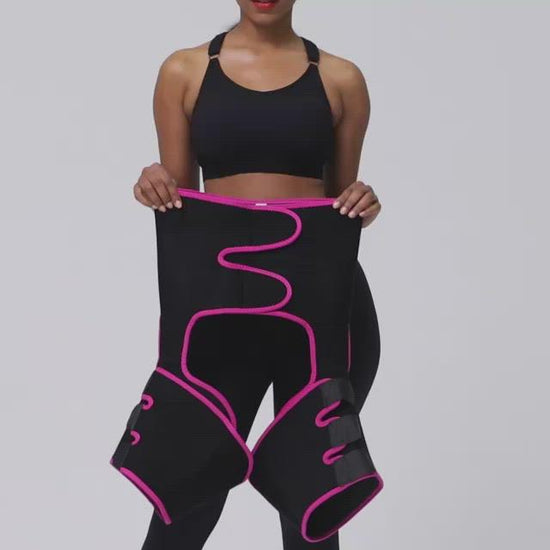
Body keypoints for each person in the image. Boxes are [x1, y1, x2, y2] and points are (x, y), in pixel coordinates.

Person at [123, 2, 382, 548]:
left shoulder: (341, 79)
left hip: (321, 312)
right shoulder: (185, 71)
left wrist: (361, 201)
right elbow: (182, 204)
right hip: (223, 311)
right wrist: (155, 183)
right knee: (187, 495)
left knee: (311, 498)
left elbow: (338, 209)